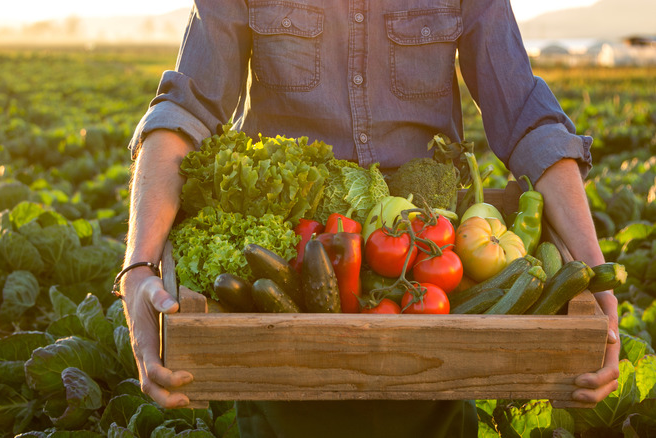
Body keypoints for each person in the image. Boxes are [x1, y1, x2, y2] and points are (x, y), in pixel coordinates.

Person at [119, 1, 620, 436]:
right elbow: (184, 112)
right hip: (292, 265)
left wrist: (596, 280)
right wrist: (138, 267)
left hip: (428, 260)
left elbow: (529, 119)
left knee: (431, 408)